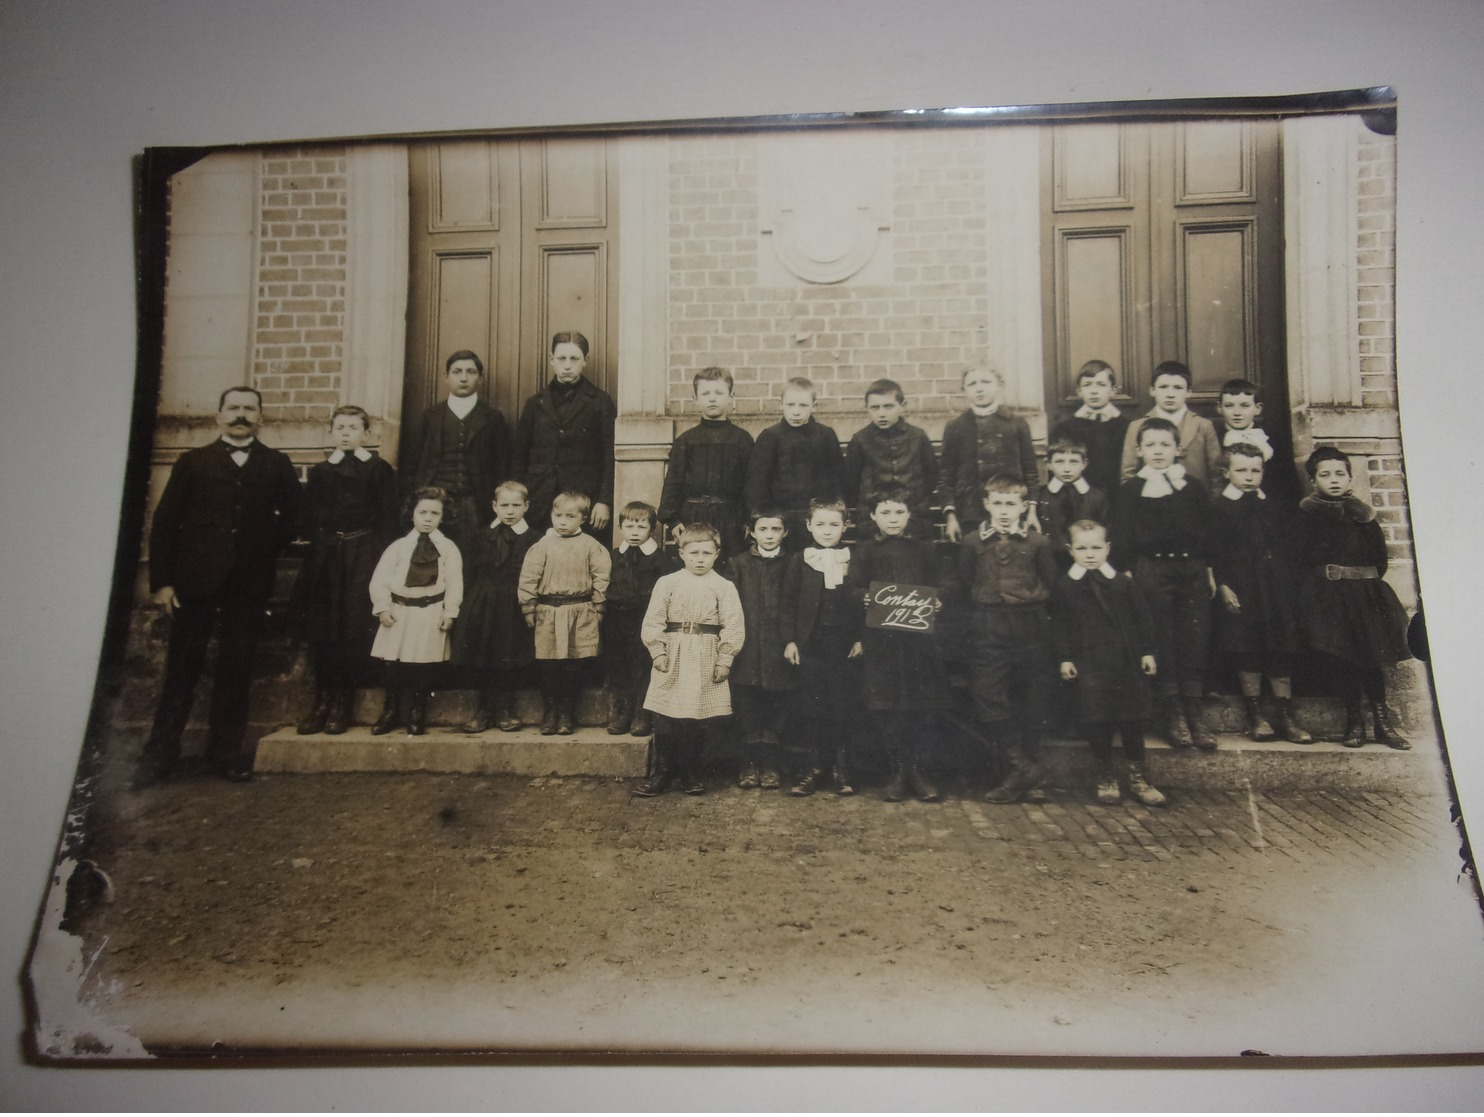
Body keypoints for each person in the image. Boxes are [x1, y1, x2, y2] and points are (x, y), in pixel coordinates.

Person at [132, 386, 304, 788]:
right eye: (233, 408)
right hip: (196, 582)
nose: (241, 415)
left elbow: (297, 519)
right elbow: (165, 524)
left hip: (247, 585)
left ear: (261, 417)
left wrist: (264, 547)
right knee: (182, 669)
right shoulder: (193, 462)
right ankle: (160, 755)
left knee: (237, 668)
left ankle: (226, 753)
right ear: (218, 416)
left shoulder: (275, 464)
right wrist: (164, 583)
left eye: (249, 409)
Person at [1293, 446, 1413, 749]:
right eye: (1325, 475)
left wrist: (1365, 586)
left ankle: (1383, 723)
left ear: (1350, 478)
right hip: (1330, 598)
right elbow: (1301, 559)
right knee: (1342, 659)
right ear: (1313, 480)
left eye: (1340, 474)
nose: (1333, 480)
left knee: (1371, 660)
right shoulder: (1308, 516)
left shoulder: (1364, 516)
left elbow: (1380, 558)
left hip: (1366, 597)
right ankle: (1355, 722)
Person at [292, 405, 399, 736]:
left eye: (353, 427)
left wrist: (380, 559)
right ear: (331, 431)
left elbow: (387, 518)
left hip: (363, 554)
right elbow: (309, 518)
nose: (346, 433)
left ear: (366, 433)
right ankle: (322, 701)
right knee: (324, 627)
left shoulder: (378, 470)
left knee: (352, 626)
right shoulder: (322, 472)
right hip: (328, 556)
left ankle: (343, 702)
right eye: (340, 427)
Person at [1113, 417, 1217, 750]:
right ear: (1140, 450)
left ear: (1178, 449)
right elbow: (1122, 535)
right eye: (1151, 445)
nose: (1158, 451)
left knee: (1194, 637)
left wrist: (1209, 569)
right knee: (1160, 635)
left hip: (1192, 569)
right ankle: (1171, 711)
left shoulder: (1193, 487)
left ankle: (1193, 709)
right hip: (1151, 570)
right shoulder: (1131, 490)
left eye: (1165, 445)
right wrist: (1128, 572)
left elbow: (1207, 531)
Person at [956, 475, 1059, 804]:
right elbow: (964, 581)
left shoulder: (1037, 543)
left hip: (1030, 627)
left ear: (1022, 507)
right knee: (987, 694)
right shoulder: (973, 542)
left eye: (1010, 504)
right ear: (986, 505)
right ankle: (1024, 767)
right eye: (997, 503)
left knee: (1033, 701)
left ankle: (1026, 778)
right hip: (988, 626)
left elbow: (1050, 582)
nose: (1003, 511)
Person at [1051, 520, 1166, 806]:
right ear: (1070, 550)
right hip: (1088, 660)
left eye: (1096, 548)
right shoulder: (1066, 586)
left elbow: (1142, 617)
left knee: (1131, 719)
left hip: (1124, 659)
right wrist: (1065, 657)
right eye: (1082, 548)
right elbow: (1060, 625)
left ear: (1107, 548)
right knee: (1096, 718)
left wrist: (1147, 651)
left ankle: (1139, 777)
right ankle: (1105, 775)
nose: (1089, 554)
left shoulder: (1122, 582)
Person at [847, 485, 949, 802]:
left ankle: (919, 771)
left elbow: (947, 580)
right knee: (886, 705)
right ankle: (896, 772)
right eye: (886, 513)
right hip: (882, 642)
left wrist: (940, 599)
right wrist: (862, 596)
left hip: (919, 642)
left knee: (922, 704)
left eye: (899, 512)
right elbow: (851, 586)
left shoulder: (924, 548)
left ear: (909, 515)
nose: (893, 520)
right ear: (874, 516)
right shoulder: (865, 550)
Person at [632, 523, 745, 797]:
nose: (699, 559)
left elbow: (733, 624)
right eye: (693, 552)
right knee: (666, 716)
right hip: (673, 653)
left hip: (706, 654)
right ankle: (662, 772)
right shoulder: (668, 583)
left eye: (707, 553)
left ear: (717, 554)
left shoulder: (724, 586)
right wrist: (657, 651)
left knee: (696, 717)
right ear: (681, 553)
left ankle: (691, 772)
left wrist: (725, 658)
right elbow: (654, 620)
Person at [1210, 444, 1312, 743]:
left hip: (1274, 585)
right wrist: (1224, 586)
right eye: (1241, 470)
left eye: (1255, 470)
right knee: (1246, 645)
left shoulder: (1274, 505)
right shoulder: (1219, 508)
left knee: (1280, 644)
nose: (1249, 476)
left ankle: (1285, 714)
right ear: (1226, 472)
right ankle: (1256, 715)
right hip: (1241, 584)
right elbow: (1215, 552)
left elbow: (1288, 547)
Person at [782, 498, 863, 795]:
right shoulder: (800, 560)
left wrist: (859, 637)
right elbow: (788, 603)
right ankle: (814, 768)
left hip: (843, 645)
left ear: (845, 526)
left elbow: (862, 605)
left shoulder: (853, 558)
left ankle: (842, 770)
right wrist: (790, 639)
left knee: (842, 704)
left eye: (834, 524)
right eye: (820, 524)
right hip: (810, 643)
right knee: (811, 705)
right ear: (808, 526)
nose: (827, 531)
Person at [368, 487, 463, 737]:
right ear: (411, 514)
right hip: (399, 613)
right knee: (392, 664)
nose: (428, 518)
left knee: (423, 666)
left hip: (429, 612)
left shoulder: (448, 548)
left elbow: (455, 582)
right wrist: (382, 607)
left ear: (443, 517)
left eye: (435, 513)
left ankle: (417, 712)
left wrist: (449, 612)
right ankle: (390, 711)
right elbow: (380, 579)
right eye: (422, 512)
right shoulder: (398, 547)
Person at [518, 490, 612, 735]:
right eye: (558, 515)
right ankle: (550, 711)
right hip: (548, 611)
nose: (562, 521)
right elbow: (529, 577)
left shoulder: (592, 546)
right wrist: (528, 607)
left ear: (584, 519)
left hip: (579, 611)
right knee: (549, 665)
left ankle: (567, 713)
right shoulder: (542, 546)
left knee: (573, 665)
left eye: (570, 516)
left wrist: (599, 606)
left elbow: (601, 577)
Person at [450, 480, 539, 733]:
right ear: (494, 506)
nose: (510, 511)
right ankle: (483, 709)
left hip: (513, 600)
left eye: (516, 505)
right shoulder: (480, 535)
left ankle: (504, 709)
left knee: (507, 652)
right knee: (482, 652)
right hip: (483, 598)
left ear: (526, 506)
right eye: (504, 505)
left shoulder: (534, 538)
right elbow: (468, 570)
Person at [512, 331, 617, 532]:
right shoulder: (535, 404)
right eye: (561, 358)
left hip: (583, 502)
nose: (567, 365)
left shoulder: (600, 402)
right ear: (552, 360)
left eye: (574, 359)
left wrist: (604, 501)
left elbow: (609, 456)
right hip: (540, 500)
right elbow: (519, 456)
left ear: (584, 361)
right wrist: (518, 499)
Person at [406, 350, 510, 549]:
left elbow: (502, 464)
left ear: (480, 378)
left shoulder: (492, 418)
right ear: (446, 377)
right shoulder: (430, 416)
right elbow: (413, 462)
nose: (464, 378)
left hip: (474, 504)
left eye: (471, 372)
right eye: (457, 372)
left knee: (472, 558)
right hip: (435, 501)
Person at [721, 507, 794, 789]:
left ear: (785, 532)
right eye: (763, 529)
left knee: (777, 703)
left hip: (779, 645)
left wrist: (791, 639)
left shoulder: (793, 563)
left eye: (776, 529)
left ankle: (771, 762)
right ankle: (749, 762)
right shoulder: (737, 564)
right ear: (751, 532)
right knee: (747, 703)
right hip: (747, 645)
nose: (770, 535)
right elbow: (728, 606)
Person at [658, 366, 754, 559]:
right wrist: (674, 520)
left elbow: (750, 483)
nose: (712, 398)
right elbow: (673, 482)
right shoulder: (686, 440)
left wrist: (749, 520)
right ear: (695, 398)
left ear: (730, 396)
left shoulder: (742, 439)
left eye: (719, 393)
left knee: (730, 567)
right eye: (705, 393)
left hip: (731, 517)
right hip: (693, 516)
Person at [940, 366, 1041, 543]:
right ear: (964, 390)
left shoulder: (1016, 424)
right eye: (972, 384)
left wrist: (1031, 511)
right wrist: (951, 516)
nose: (979, 388)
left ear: (999, 386)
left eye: (985, 382)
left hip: (1011, 511)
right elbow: (946, 476)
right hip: (970, 512)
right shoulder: (956, 426)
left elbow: (1030, 472)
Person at [743, 376, 844, 550]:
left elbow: (837, 479)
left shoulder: (824, 436)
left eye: (803, 405)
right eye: (790, 405)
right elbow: (756, 484)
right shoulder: (770, 437)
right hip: (780, 519)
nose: (796, 412)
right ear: (781, 404)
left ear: (814, 405)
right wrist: (767, 517)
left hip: (817, 520)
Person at [602, 501, 676, 737]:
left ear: (652, 529)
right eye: (629, 526)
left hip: (645, 619)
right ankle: (623, 713)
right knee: (619, 664)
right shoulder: (613, 556)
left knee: (642, 664)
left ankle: (642, 714)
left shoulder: (660, 560)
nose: (634, 532)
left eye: (641, 527)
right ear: (621, 527)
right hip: (617, 618)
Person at [843, 379, 938, 538]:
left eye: (888, 406)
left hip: (914, 516)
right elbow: (851, 482)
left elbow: (931, 475)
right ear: (866, 408)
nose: (881, 413)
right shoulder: (860, 440)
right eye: (875, 407)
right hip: (872, 520)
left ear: (902, 405)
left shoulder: (917, 436)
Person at [1119, 360, 1223, 487]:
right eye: (1163, 387)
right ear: (1152, 390)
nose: (1170, 394)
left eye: (1178, 388)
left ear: (1189, 392)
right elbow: (1128, 474)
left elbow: (1216, 475)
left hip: (1195, 502)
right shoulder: (1136, 426)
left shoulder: (1203, 426)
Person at [1049, 359, 1132, 501]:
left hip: (1119, 497)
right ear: (1079, 391)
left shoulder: (1127, 426)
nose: (1094, 391)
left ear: (1112, 390)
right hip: (1080, 499)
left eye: (1101, 385)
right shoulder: (1066, 428)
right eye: (1087, 385)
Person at [1212, 378, 1301, 505]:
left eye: (1244, 406)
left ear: (1257, 408)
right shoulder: (1213, 438)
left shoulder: (1273, 440)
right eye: (1229, 406)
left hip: (1268, 511)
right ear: (1219, 408)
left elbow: (1289, 484)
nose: (1237, 413)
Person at [1034, 437, 1110, 570]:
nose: (1067, 469)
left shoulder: (1096, 496)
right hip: (1049, 560)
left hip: (1086, 560)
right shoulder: (1041, 495)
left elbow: (1105, 529)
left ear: (1084, 464)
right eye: (1059, 462)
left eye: (1073, 462)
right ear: (1048, 464)